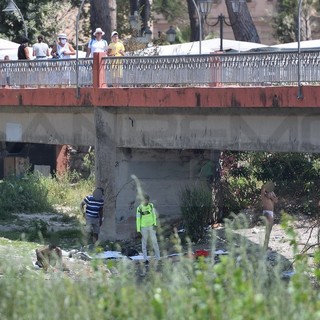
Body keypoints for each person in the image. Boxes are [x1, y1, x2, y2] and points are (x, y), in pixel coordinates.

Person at [136, 194, 160, 263]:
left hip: (151, 226)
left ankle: (158, 257)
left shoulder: (151, 206)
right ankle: (145, 259)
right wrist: (138, 229)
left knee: (154, 241)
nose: (145, 201)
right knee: (144, 243)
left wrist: (155, 224)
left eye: (146, 200)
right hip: (143, 228)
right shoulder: (139, 208)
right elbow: (138, 219)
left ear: (148, 200)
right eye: (143, 200)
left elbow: (154, 215)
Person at [261, 182, 278, 250]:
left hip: (271, 212)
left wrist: (272, 196)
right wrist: (267, 185)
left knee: (269, 230)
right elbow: (262, 189)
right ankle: (265, 246)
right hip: (267, 212)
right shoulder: (263, 195)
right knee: (268, 230)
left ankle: (266, 245)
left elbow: (276, 201)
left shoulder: (271, 194)